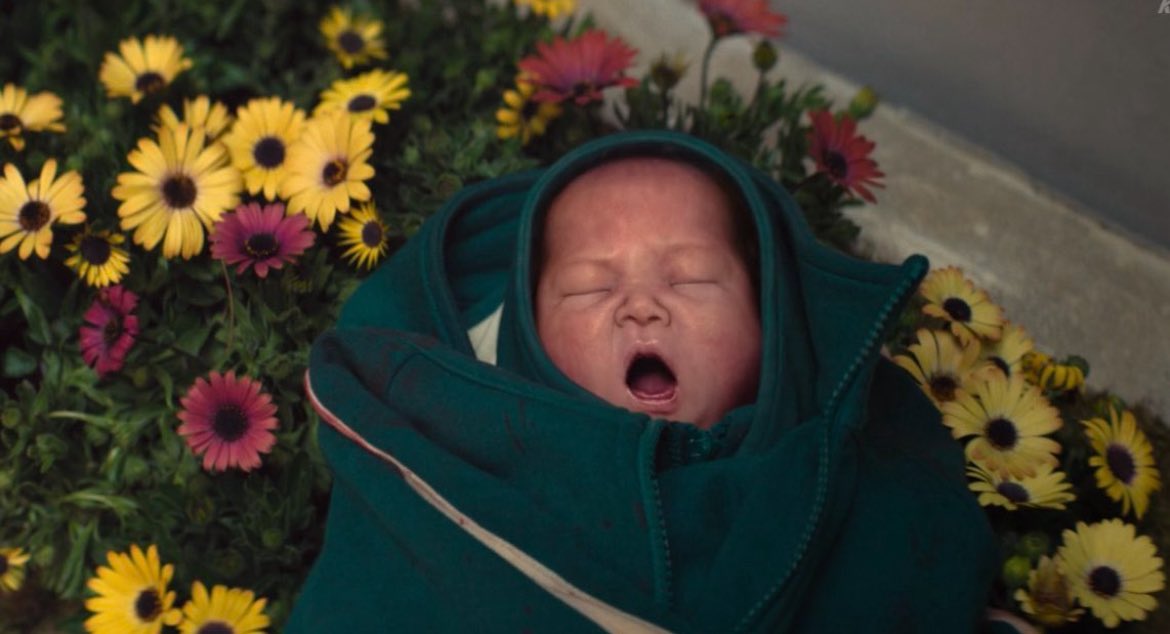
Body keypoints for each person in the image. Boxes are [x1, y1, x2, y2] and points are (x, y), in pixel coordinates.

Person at [288, 130, 1001, 632]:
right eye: (588, 290)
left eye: (691, 278)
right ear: (523, 337)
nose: (641, 304)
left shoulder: (857, 489)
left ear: (771, 324)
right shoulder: (447, 454)